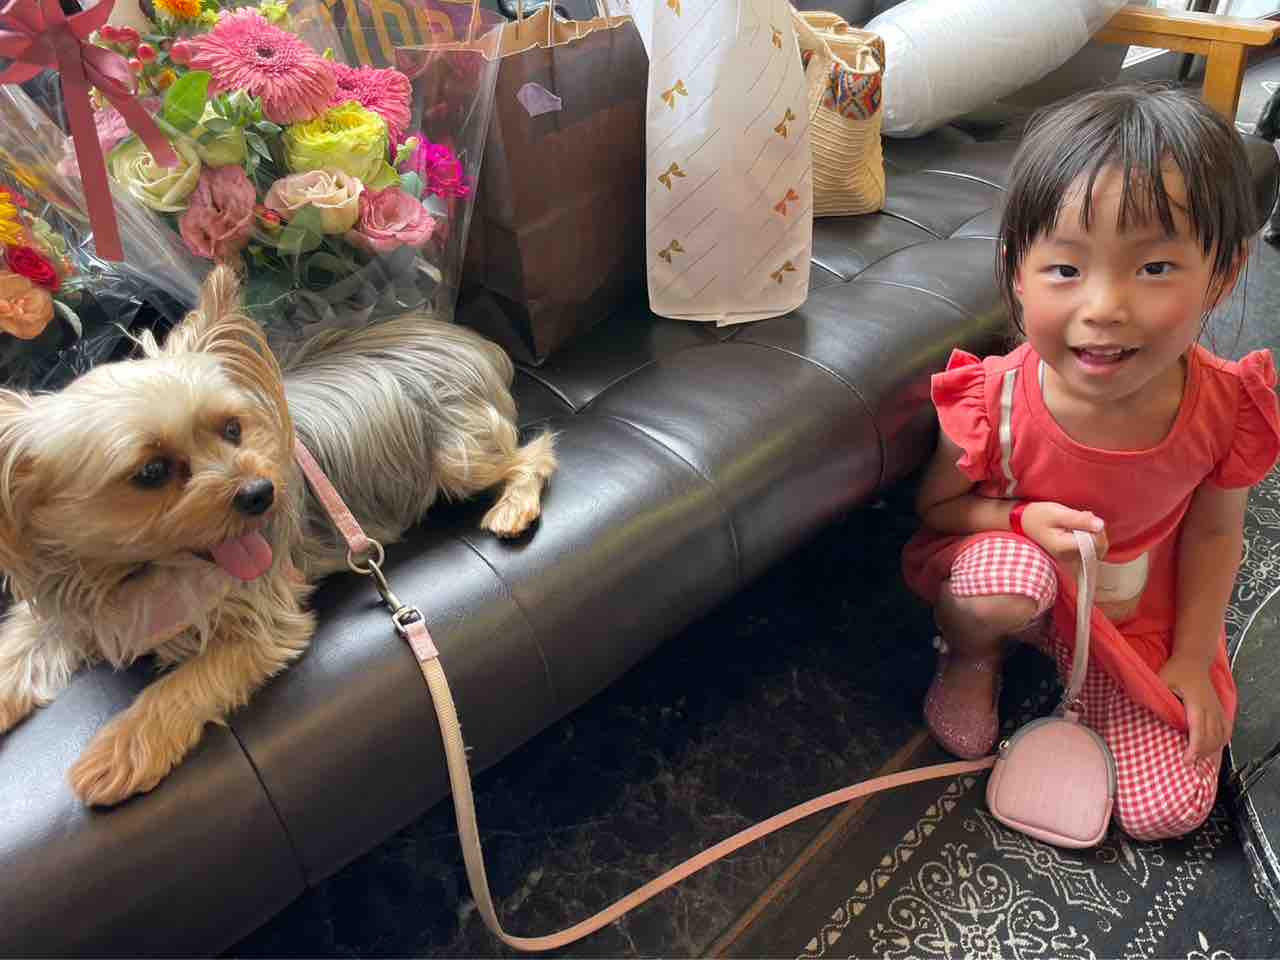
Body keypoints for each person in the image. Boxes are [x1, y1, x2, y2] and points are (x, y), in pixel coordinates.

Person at [902, 83, 1280, 841]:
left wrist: (1191, 657)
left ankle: (1104, 679)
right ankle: (973, 658)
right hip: (1017, 568)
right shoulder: (995, 400)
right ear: (1017, 270)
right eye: (1067, 270)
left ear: (1224, 272)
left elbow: (1214, 535)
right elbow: (935, 509)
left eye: (1155, 268)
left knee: (1168, 808)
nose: (1104, 307)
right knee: (1004, 586)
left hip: (1132, 607)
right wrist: (1019, 519)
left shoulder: (1225, 407)